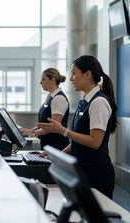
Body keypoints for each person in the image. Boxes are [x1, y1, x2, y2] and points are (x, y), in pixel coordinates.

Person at [38, 55, 118, 199]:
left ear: (88, 74)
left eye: (74, 73)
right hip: (82, 171)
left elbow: (95, 142)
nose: (70, 79)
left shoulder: (99, 102)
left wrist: (64, 131)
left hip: (96, 174)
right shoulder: (84, 101)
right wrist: (59, 155)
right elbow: (77, 141)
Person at [20, 68, 70, 150]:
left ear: (52, 80)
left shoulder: (59, 99)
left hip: (57, 146)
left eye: (43, 79)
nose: (40, 82)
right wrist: (30, 131)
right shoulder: (50, 97)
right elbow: (44, 123)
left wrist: (33, 134)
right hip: (48, 145)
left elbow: (53, 126)